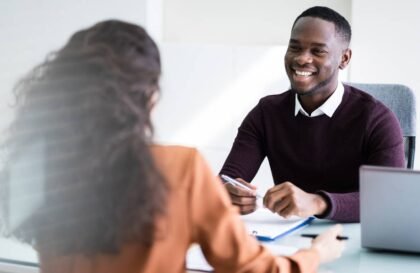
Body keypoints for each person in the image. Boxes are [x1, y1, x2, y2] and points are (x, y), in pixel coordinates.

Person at [0, 20, 344, 273]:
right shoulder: (179, 168)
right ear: (148, 97)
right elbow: (250, 268)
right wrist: (314, 255)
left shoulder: (38, 164)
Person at [220, 6, 404, 223]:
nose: (301, 59)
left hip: (357, 239)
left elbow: (388, 201)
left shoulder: (378, 119)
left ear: (344, 58)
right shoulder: (266, 113)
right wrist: (226, 194)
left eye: (318, 51)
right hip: (289, 239)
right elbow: (227, 180)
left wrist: (317, 202)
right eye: (294, 47)